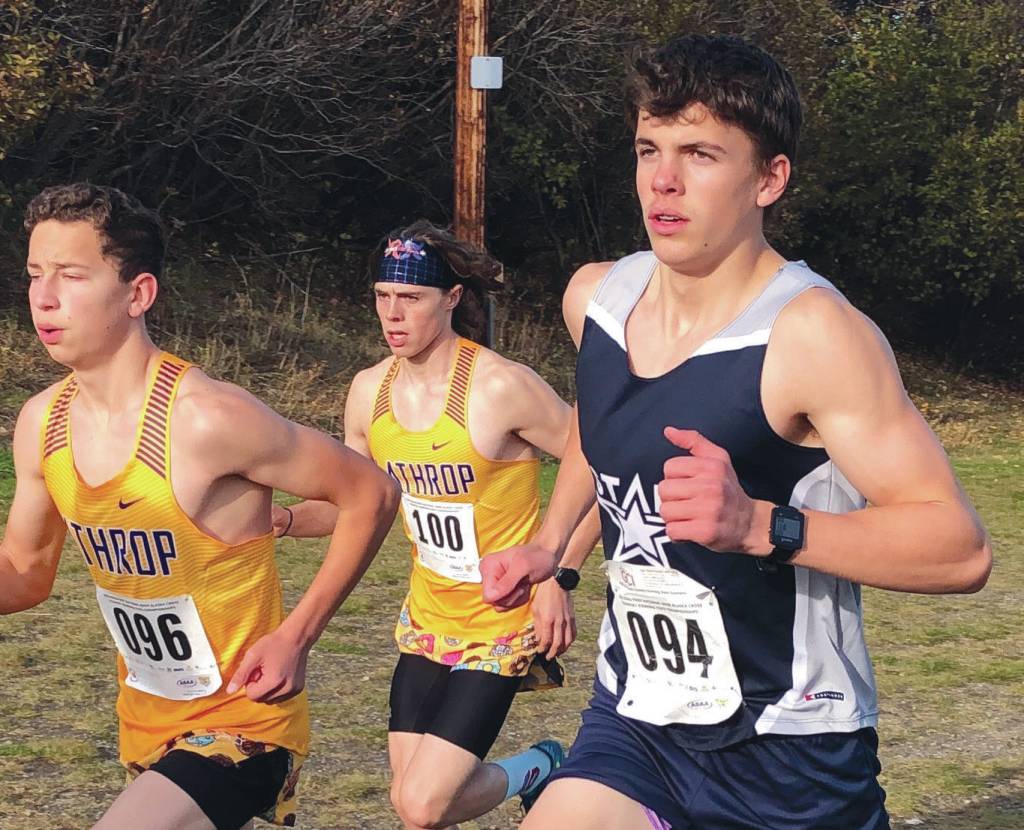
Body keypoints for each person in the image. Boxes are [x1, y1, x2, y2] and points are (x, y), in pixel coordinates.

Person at [480, 34, 992, 830]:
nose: (663, 179)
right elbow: (600, 420)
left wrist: (759, 524)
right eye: (649, 147)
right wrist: (553, 545)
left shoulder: (814, 335)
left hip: (788, 751)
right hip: (638, 718)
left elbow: (959, 549)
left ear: (769, 178)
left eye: (701, 153)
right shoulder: (597, 300)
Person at [0, 183, 399, 830]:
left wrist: (298, 636)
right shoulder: (41, 424)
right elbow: (24, 571)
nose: (43, 297)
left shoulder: (207, 420)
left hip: (243, 726)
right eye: (35, 275)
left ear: (139, 294)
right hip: (145, 728)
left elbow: (373, 492)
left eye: (71, 275)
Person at [278, 220, 600, 830]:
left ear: (452, 300)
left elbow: (598, 464)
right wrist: (287, 519)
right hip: (428, 620)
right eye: (382, 296)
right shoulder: (367, 392)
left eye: (411, 299)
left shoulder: (500, 386)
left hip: (502, 621)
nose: (392, 315)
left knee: (422, 808)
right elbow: (358, 503)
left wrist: (559, 572)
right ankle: (540, 768)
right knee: (413, 802)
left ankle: (543, 767)